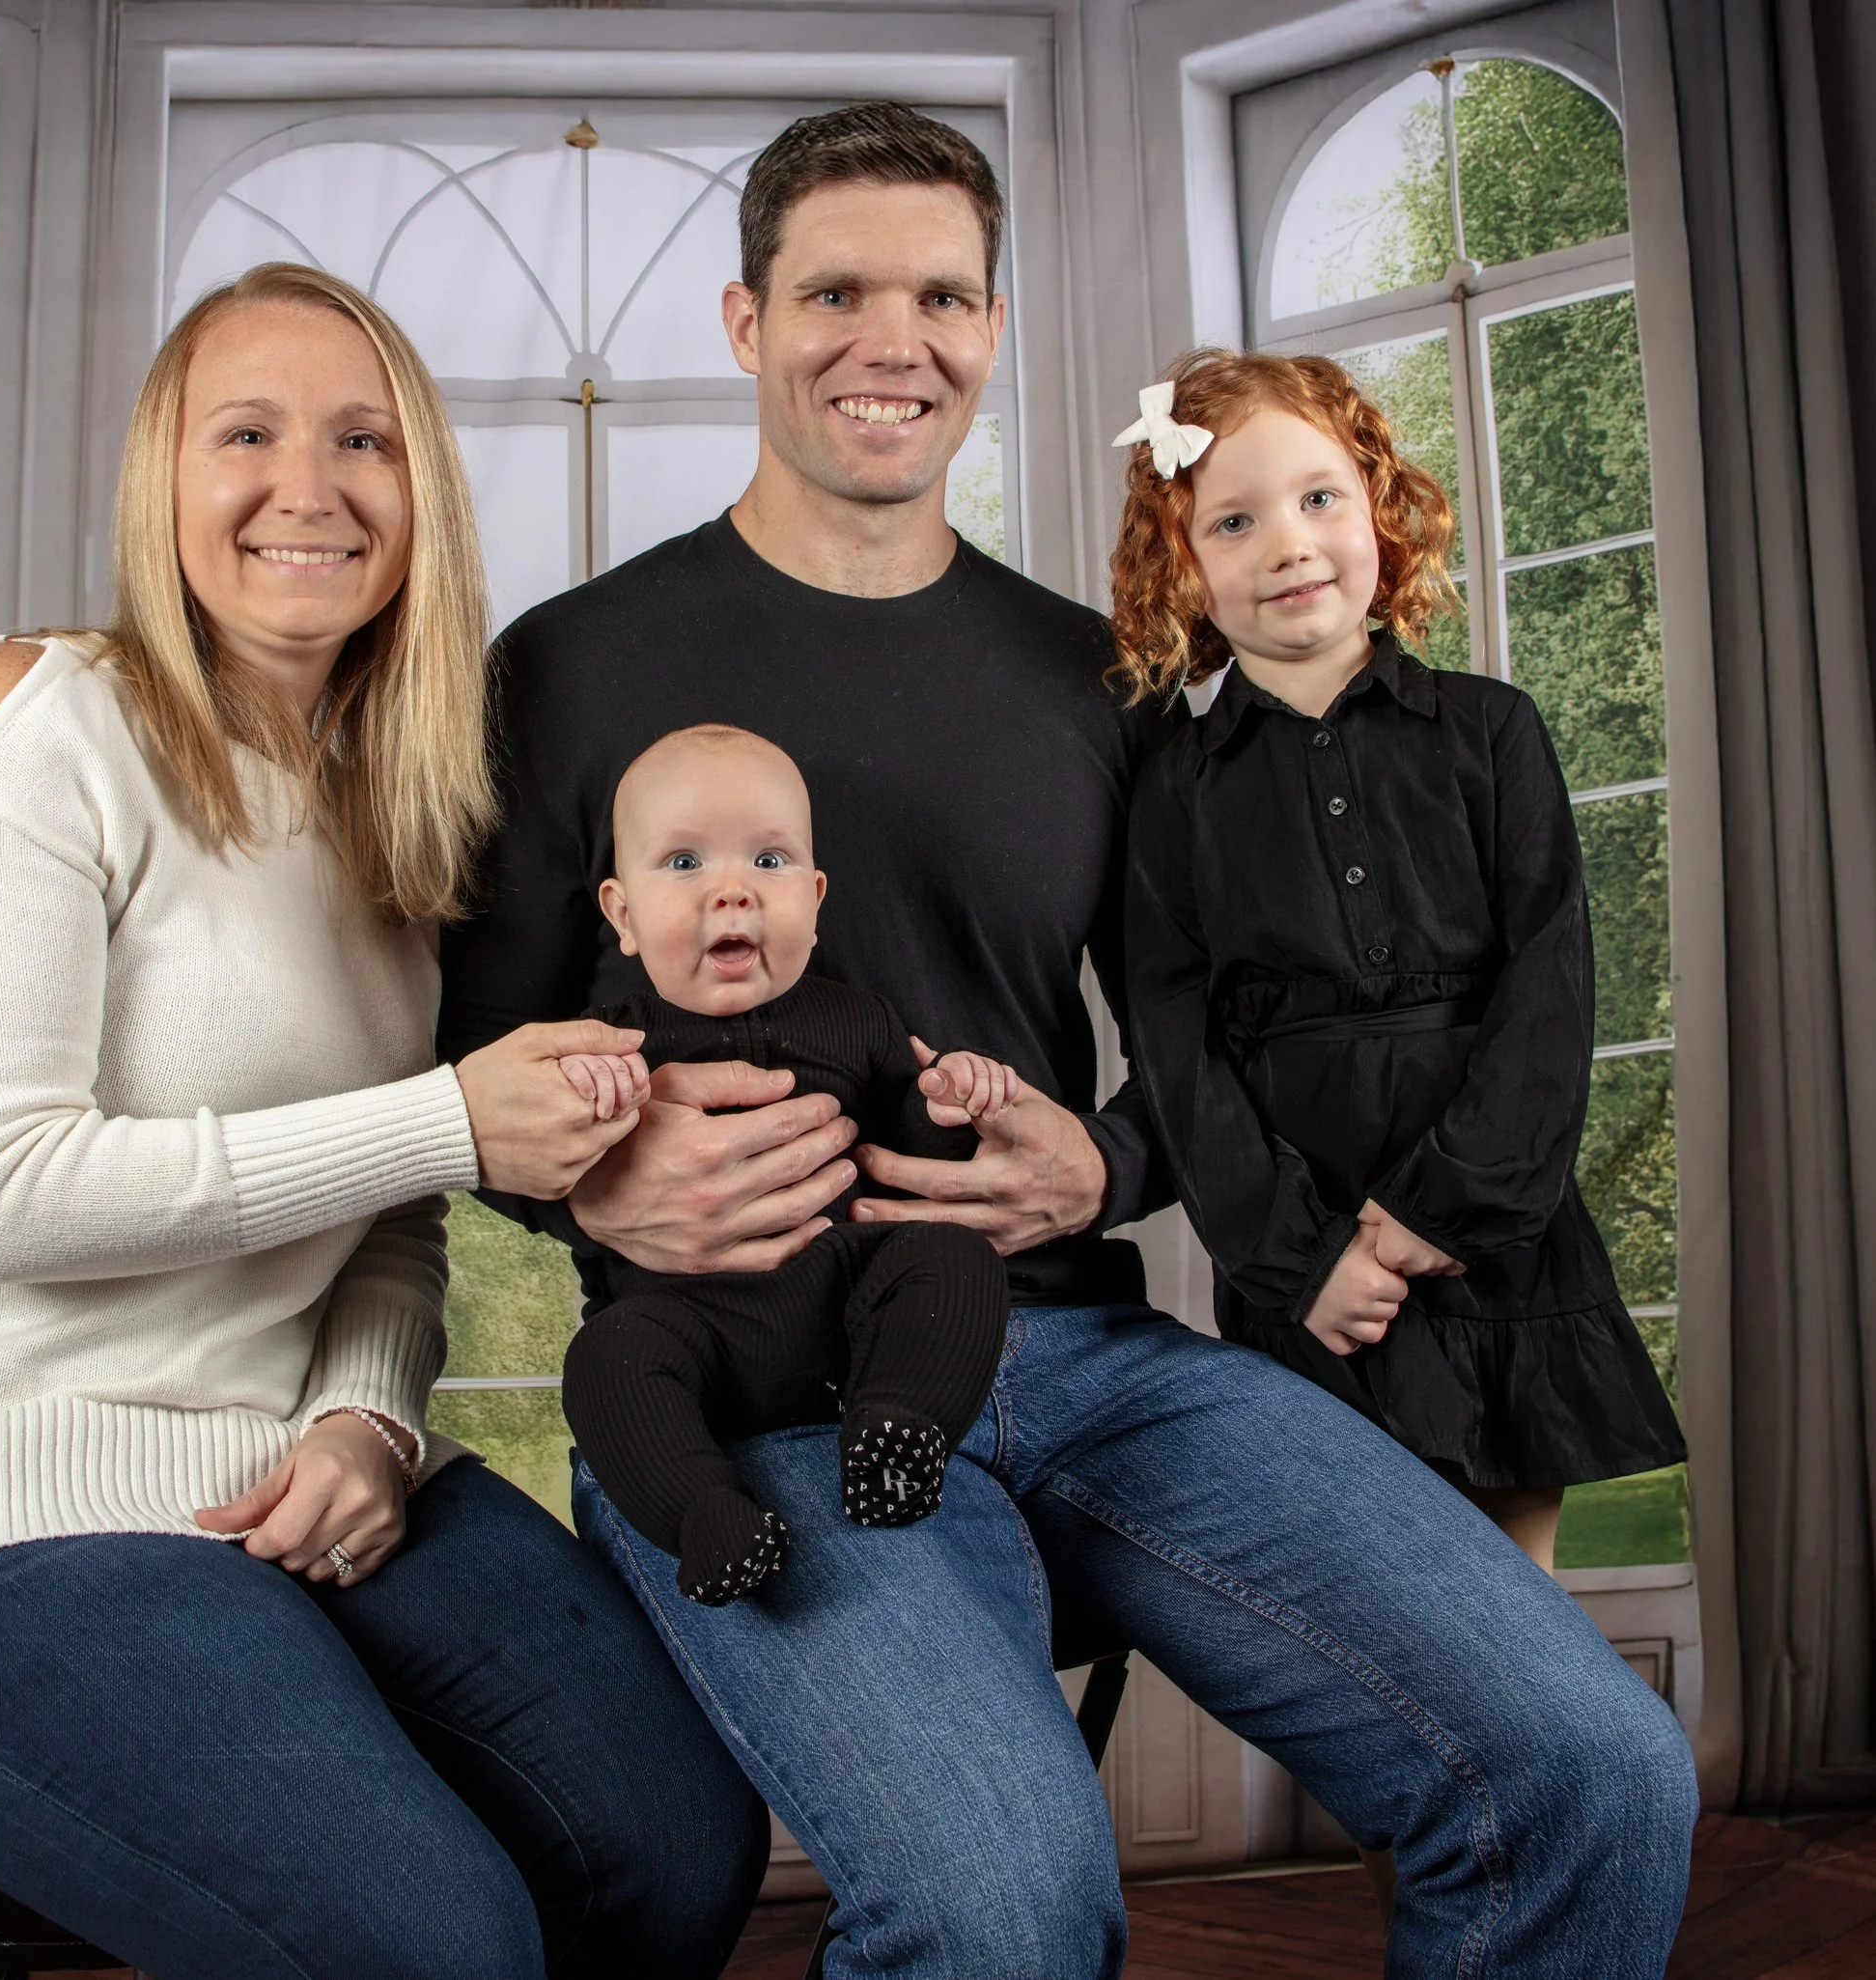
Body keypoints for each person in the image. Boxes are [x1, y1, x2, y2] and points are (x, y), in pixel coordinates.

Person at [440, 101, 1696, 1977]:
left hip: (1091, 1352)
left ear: (994, 328)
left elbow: (1217, 1037)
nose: (895, 339)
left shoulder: (1098, 678)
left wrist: (1103, 1157)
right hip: (759, 1381)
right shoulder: (572, 661)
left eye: (941, 293)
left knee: (1590, 1763)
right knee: (1001, 1905)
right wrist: (610, 1176)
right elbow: (475, 1054)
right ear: (741, 320)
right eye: (835, 290)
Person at [0, 262, 766, 1980]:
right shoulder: (27, 718)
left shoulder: (392, 825)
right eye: (248, 432)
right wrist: (448, 1118)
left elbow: (385, 1228)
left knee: (677, 1854)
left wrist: (368, 1425)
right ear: (165, 476)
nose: (309, 487)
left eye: (363, 439)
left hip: (277, 1471)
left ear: (417, 497)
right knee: (431, 1944)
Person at [1111, 348, 1686, 1575]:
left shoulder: (1491, 731)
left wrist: (1437, 1211)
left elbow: (1549, 990)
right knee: (1370, 1609)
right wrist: (1304, 1257)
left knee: (1513, 1600)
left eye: (1320, 497)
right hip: (1303, 1252)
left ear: (1378, 505)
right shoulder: (1171, 787)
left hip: (1491, 1228)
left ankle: (1554, 1770)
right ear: (1183, 565)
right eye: (1234, 519)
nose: (1288, 544)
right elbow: (1173, 1045)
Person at [556, 723, 1019, 1604]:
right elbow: (550, 1151)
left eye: (767, 863)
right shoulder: (610, 1037)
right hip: (682, 1322)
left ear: (814, 896)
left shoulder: (860, 1019)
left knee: (956, 1260)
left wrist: (954, 1098)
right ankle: (707, 1514)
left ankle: (900, 1424)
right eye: (684, 864)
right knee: (604, 1362)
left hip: (840, 1303)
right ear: (621, 914)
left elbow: (915, 1159)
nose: (732, 892)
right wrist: (583, 1096)